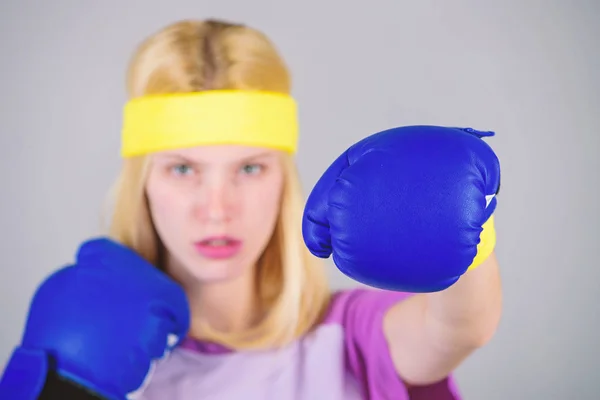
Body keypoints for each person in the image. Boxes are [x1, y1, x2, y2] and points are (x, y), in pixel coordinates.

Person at [0, 18, 503, 400]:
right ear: (143, 184)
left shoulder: (346, 335)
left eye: (249, 169)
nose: (217, 210)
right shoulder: (82, 345)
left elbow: (460, 327)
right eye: (182, 169)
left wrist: (459, 220)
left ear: (285, 180)